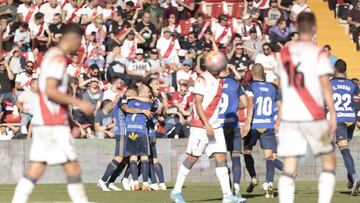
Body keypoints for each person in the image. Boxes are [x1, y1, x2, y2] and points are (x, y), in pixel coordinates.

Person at [12, 23, 94, 203]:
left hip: (46, 121)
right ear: (72, 38)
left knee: (37, 167)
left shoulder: (52, 56)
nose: (79, 46)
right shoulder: (57, 58)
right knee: (72, 166)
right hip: (52, 122)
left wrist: (70, 122)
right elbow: (50, 90)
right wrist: (79, 102)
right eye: (79, 41)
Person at [276, 12, 337, 203]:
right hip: (314, 115)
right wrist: (332, 114)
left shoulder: (284, 53)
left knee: (289, 166)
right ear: (314, 28)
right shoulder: (318, 52)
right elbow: (325, 85)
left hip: (290, 115)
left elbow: (281, 83)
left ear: (296, 27)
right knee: (328, 161)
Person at [170, 52, 246, 203]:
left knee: (221, 157)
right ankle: (176, 191)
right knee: (192, 157)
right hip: (201, 126)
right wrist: (207, 125)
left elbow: (239, 88)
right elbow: (197, 103)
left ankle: (227, 195)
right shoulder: (202, 78)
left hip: (216, 124)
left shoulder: (221, 80)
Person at [242, 63, 283, 198]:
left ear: (252, 74)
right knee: (269, 157)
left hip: (254, 125)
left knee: (247, 151)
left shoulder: (249, 86)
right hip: (268, 125)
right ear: (263, 74)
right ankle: (269, 182)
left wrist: (247, 124)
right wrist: (277, 123)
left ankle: (253, 177)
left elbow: (251, 106)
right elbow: (280, 106)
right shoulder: (272, 87)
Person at [331, 59, 360, 195]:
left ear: (334, 70)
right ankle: (351, 178)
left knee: (344, 150)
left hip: (339, 119)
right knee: (345, 148)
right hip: (351, 119)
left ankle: (354, 177)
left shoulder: (330, 83)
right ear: (346, 70)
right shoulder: (353, 84)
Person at [217, 65, 248, 198]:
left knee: (220, 158)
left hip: (218, 124)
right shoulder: (235, 83)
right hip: (232, 123)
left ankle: (226, 188)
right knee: (235, 156)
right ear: (228, 70)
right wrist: (235, 106)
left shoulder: (214, 82)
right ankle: (236, 187)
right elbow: (245, 103)